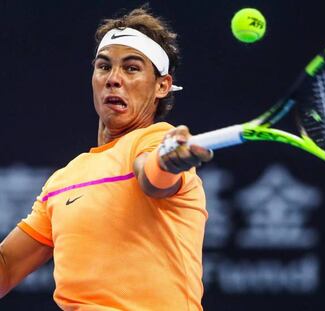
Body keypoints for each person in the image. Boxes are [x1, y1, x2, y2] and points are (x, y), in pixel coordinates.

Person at [0, 5, 212, 311]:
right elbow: (7, 266)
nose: (113, 79)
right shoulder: (63, 180)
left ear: (161, 86)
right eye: (104, 67)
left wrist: (167, 162)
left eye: (131, 68)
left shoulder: (153, 140)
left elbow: (153, 177)